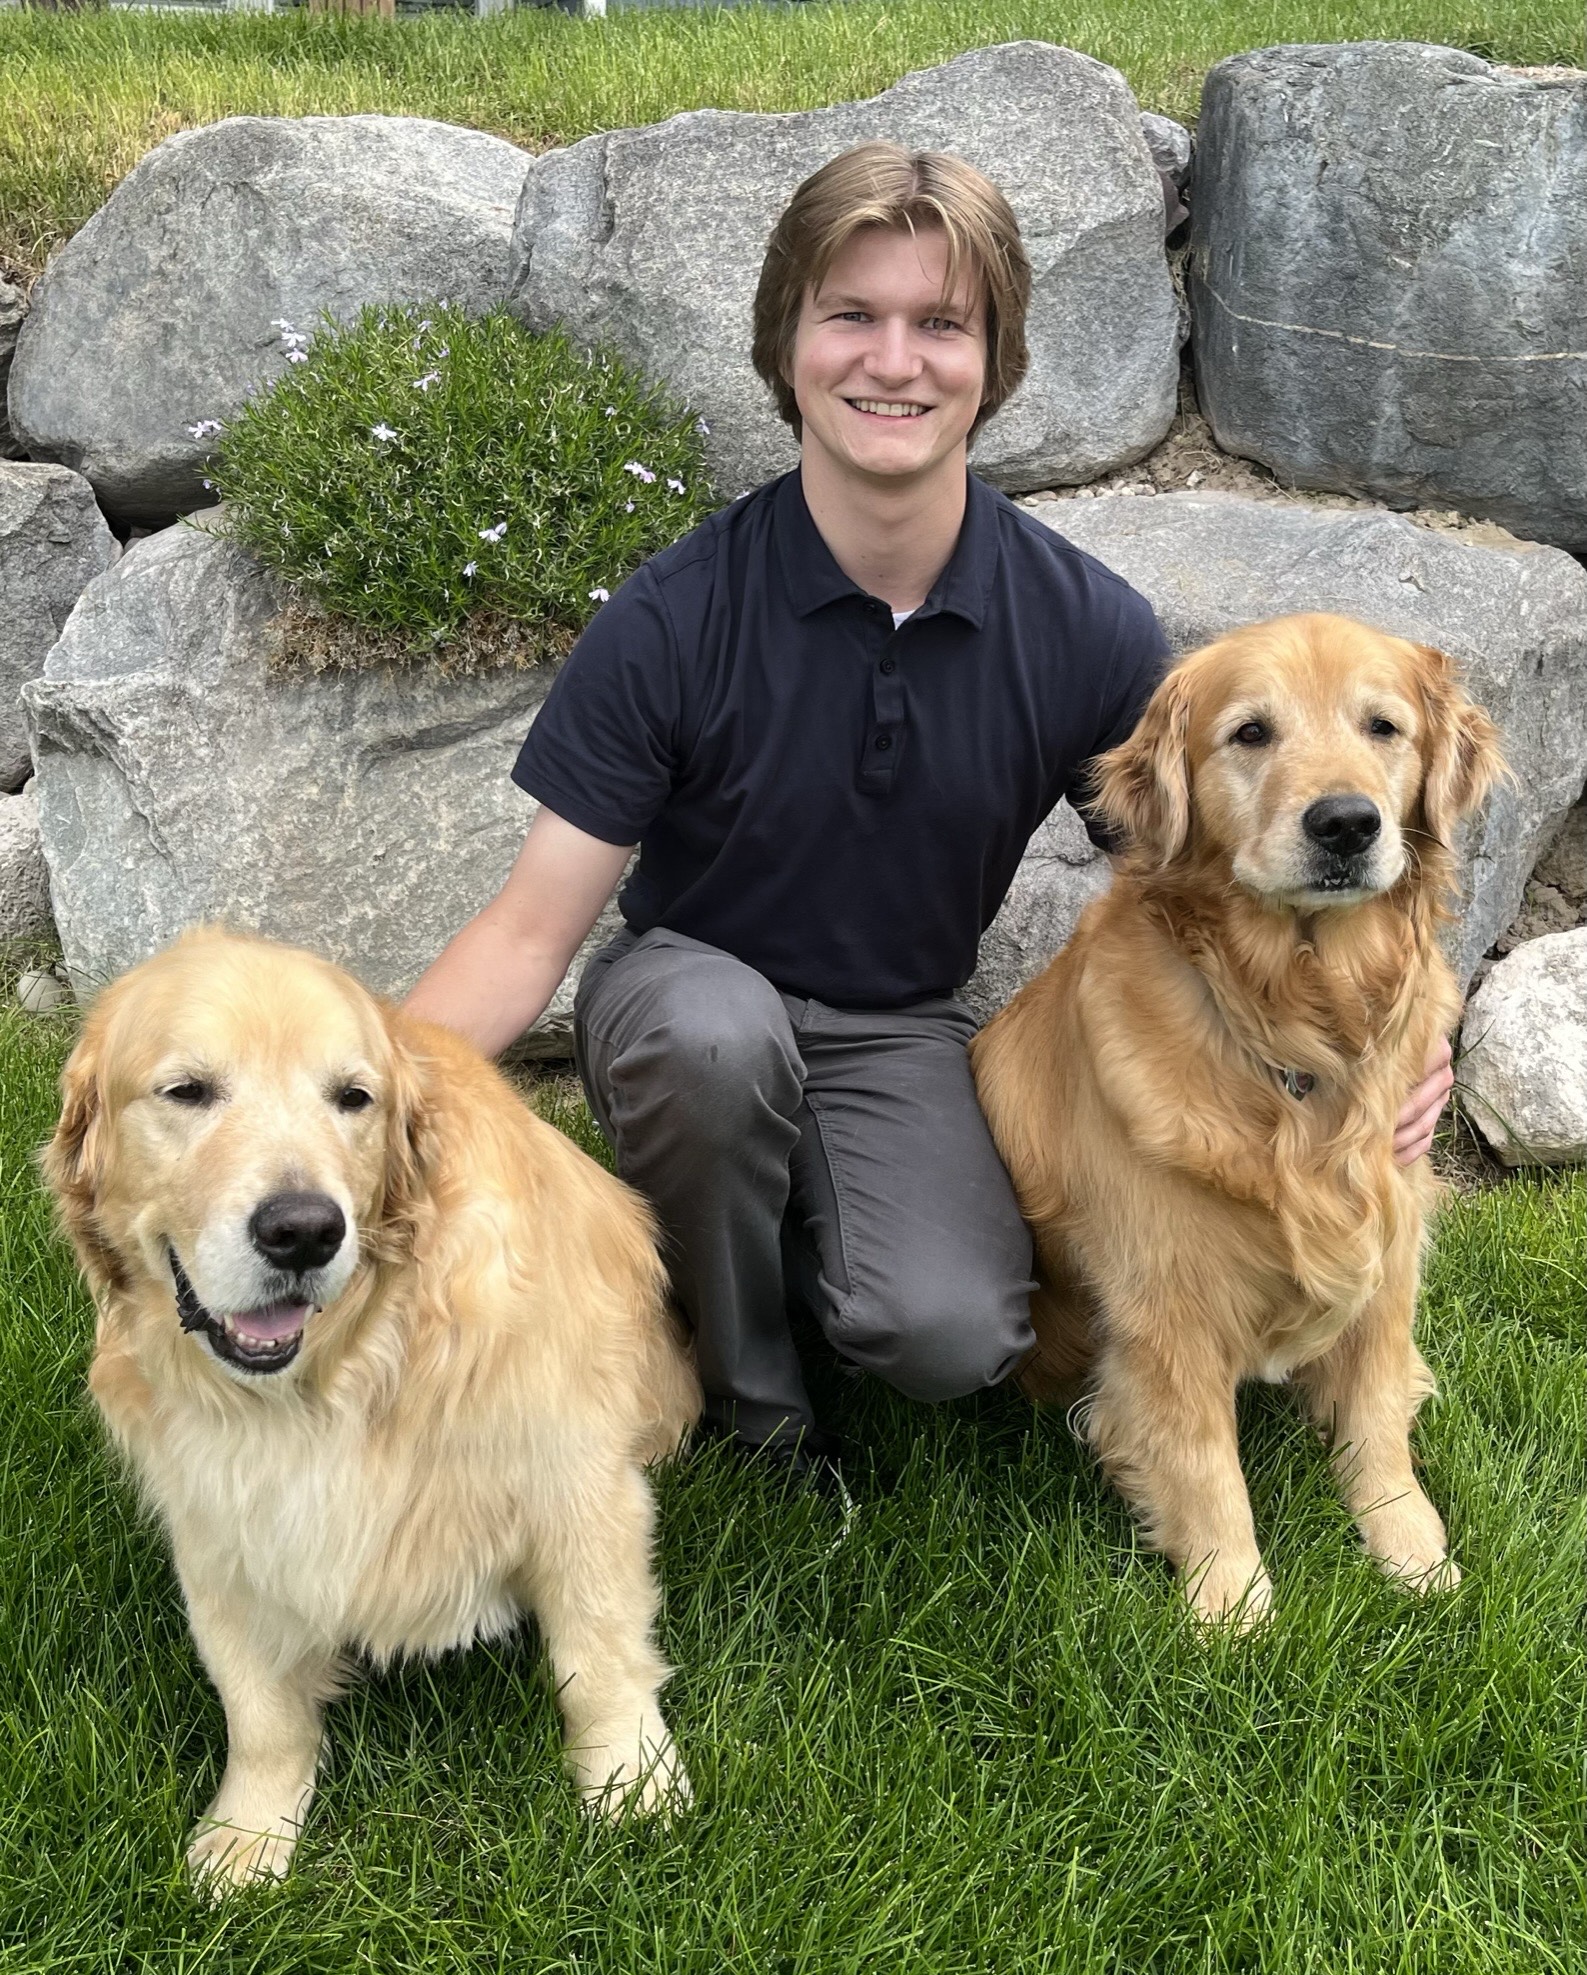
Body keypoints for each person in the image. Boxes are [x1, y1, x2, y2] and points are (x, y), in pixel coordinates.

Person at [405, 145, 1454, 1477]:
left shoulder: (1083, 627)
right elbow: (524, 934)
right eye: (851, 315)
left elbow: (1224, 867)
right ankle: (756, 1405)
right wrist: (352, 1115)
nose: (892, 361)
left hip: (896, 1026)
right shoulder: (672, 619)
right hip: (690, 994)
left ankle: (767, 1234)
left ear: (993, 362)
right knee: (711, 1045)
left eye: (939, 325)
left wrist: (1407, 1041)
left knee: (954, 1332)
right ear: (787, 345)